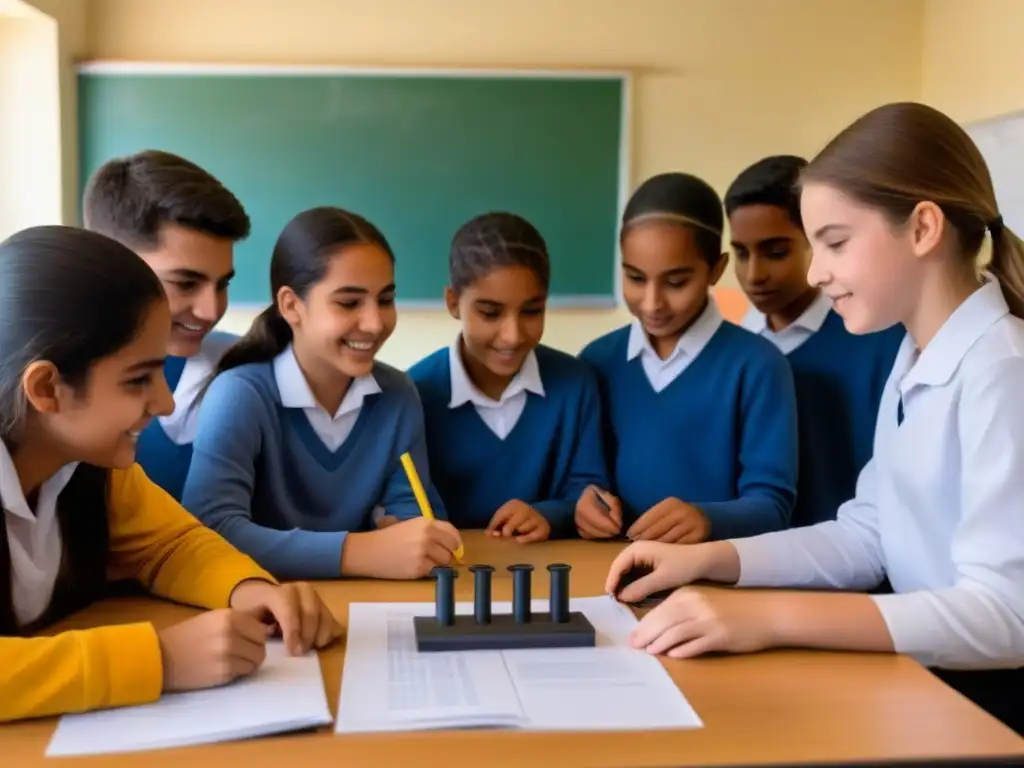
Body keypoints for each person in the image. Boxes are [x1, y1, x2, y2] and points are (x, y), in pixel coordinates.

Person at [606, 102, 1024, 735]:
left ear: (923, 228)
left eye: (834, 243)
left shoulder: (1003, 370)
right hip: (927, 687)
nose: (816, 271)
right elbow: (866, 534)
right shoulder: (916, 356)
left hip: (991, 713)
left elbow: (1005, 618)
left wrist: (766, 618)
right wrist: (709, 560)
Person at [0, 225, 339, 724]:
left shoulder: (90, 465)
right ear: (48, 387)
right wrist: (161, 658)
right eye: (139, 379)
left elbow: (169, 545)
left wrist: (250, 591)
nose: (165, 401)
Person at [181, 206, 463, 581]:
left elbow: (410, 519)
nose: (375, 322)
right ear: (291, 306)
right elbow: (210, 529)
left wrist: (421, 540)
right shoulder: (240, 395)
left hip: (365, 604)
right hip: (268, 610)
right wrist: (357, 552)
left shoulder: (397, 395)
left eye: (385, 299)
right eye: (349, 302)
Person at [577, 172, 798, 543]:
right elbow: (584, 480)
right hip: (608, 573)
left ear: (716, 269)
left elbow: (773, 504)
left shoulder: (759, 366)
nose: (652, 303)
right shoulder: (596, 361)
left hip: (715, 579)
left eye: (676, 282)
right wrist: (582, 504)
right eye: (634, 278)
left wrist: (708, 519)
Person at [407, 212, 608, 542]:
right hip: (449, 572)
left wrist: (547, 514)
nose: (513, 336)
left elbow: (588, 491)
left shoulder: (576, 384)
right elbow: (408, 507)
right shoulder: (414, 393)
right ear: (453, 302)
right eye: (490, 313)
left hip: (548, 571)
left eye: (532, 311)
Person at [726, 155, 903, 526]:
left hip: (863, 561)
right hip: (756, 560)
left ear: (815, 242)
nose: (754, 274)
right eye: (741, 253)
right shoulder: (736, 348)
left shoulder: (879, 339)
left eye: (776, 252)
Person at [82, 149, 251, 502]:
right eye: (185, 283)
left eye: (222, 284)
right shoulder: (51, 381)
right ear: (109, 261)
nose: (211, 309)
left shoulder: (240, 364)